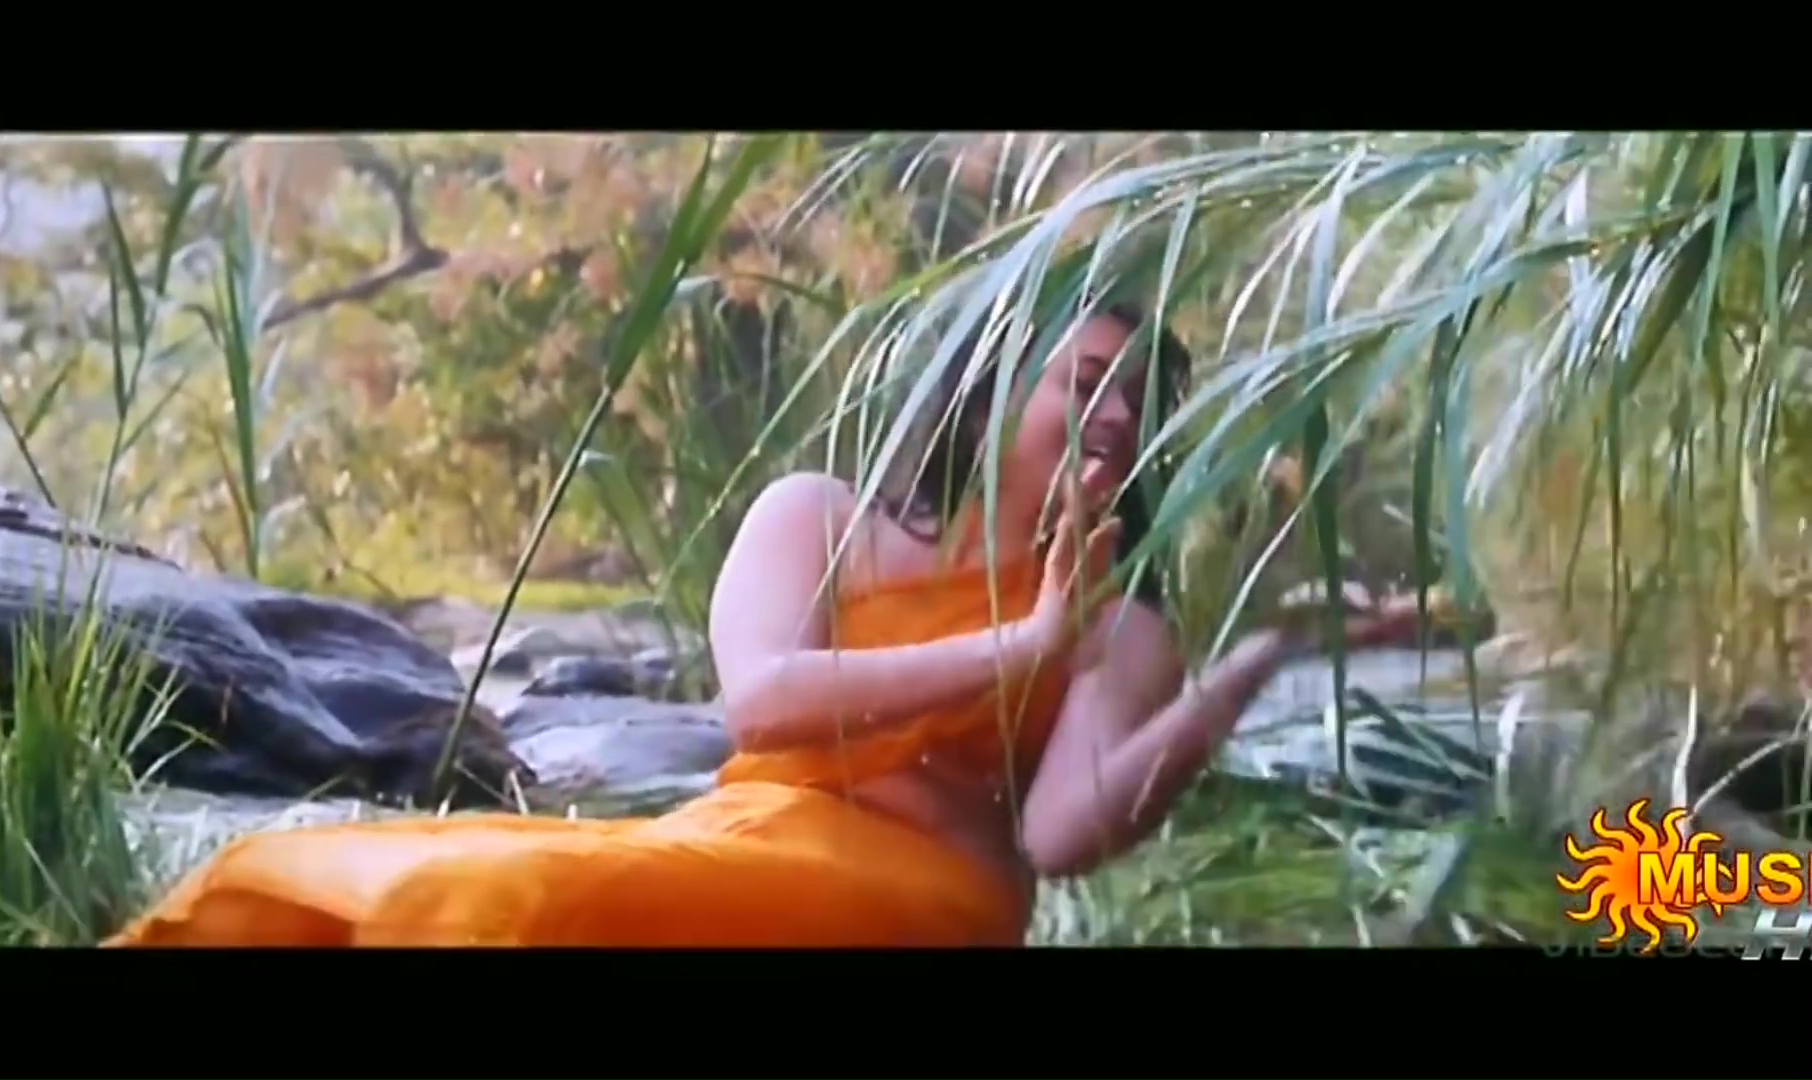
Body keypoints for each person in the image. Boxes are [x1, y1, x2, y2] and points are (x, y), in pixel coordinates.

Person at [104, 300, 1429, 947]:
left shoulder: (1122, 627)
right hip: (746, 829)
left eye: (1143, 396)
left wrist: (1254, 663)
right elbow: (768, 703)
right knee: (334, 876)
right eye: (1087, 380)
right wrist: (1014, 646)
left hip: (932, 890)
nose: (1119, 416)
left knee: (491, 899)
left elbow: (1063, 836)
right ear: (990, 391)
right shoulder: (822, 517)